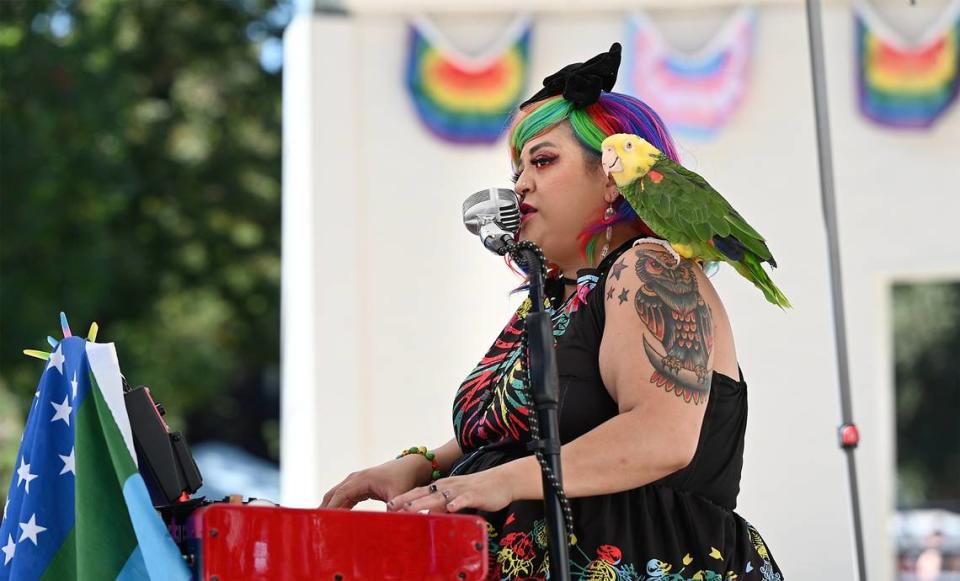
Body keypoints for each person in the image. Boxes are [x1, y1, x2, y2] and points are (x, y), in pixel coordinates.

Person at [322, 43, 784, 580]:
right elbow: (529, 428)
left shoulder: (652, 270)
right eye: (517, 168)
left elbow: (662, 438)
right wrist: (423, 464)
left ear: (613, 176)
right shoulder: (559, 297)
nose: (519, 185)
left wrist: (497, 482)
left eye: (542, 160)